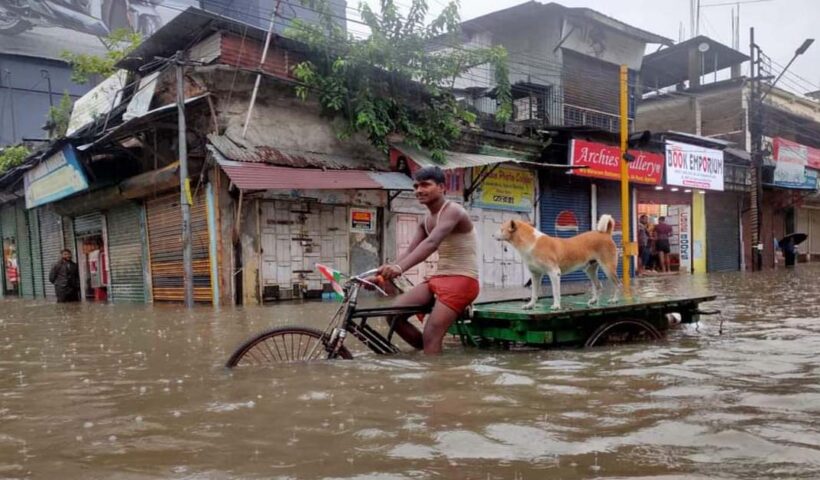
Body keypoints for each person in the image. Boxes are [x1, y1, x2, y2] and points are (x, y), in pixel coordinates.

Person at [373, 166, 480, 355]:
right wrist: (385, 272)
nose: (419, 190)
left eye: (425, 185)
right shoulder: (426, 220)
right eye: (415, 186)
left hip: (463, 279)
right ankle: (429, 353)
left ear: (441, 187)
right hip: (439, 278)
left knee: (432, 333)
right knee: (393, 314)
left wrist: (399, 268)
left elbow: (431, 243)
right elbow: (411, 251)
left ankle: (434, 372)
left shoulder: (453, 210)